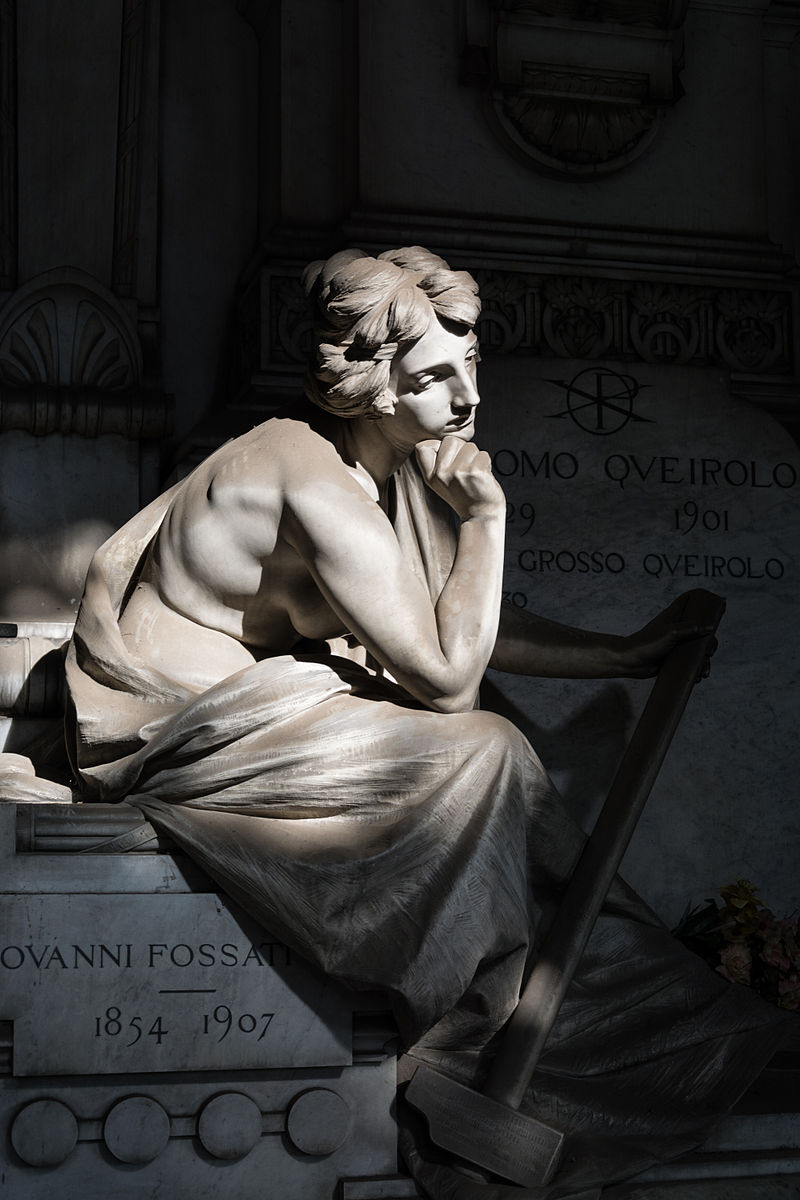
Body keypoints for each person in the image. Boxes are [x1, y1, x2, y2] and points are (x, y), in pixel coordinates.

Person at [64, 248, 790, 1198]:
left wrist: (628, 651)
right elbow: (451, 678)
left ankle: (601, 997)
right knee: (482, 750)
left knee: (493, 756)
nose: (465, 398)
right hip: (194, 728)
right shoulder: (304, 472)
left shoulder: (384, 470)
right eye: (434, 377)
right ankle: (476, 1048)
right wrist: (487, 520)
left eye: (470, 364)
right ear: (368, 385)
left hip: (279, 705)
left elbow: (457, 620)